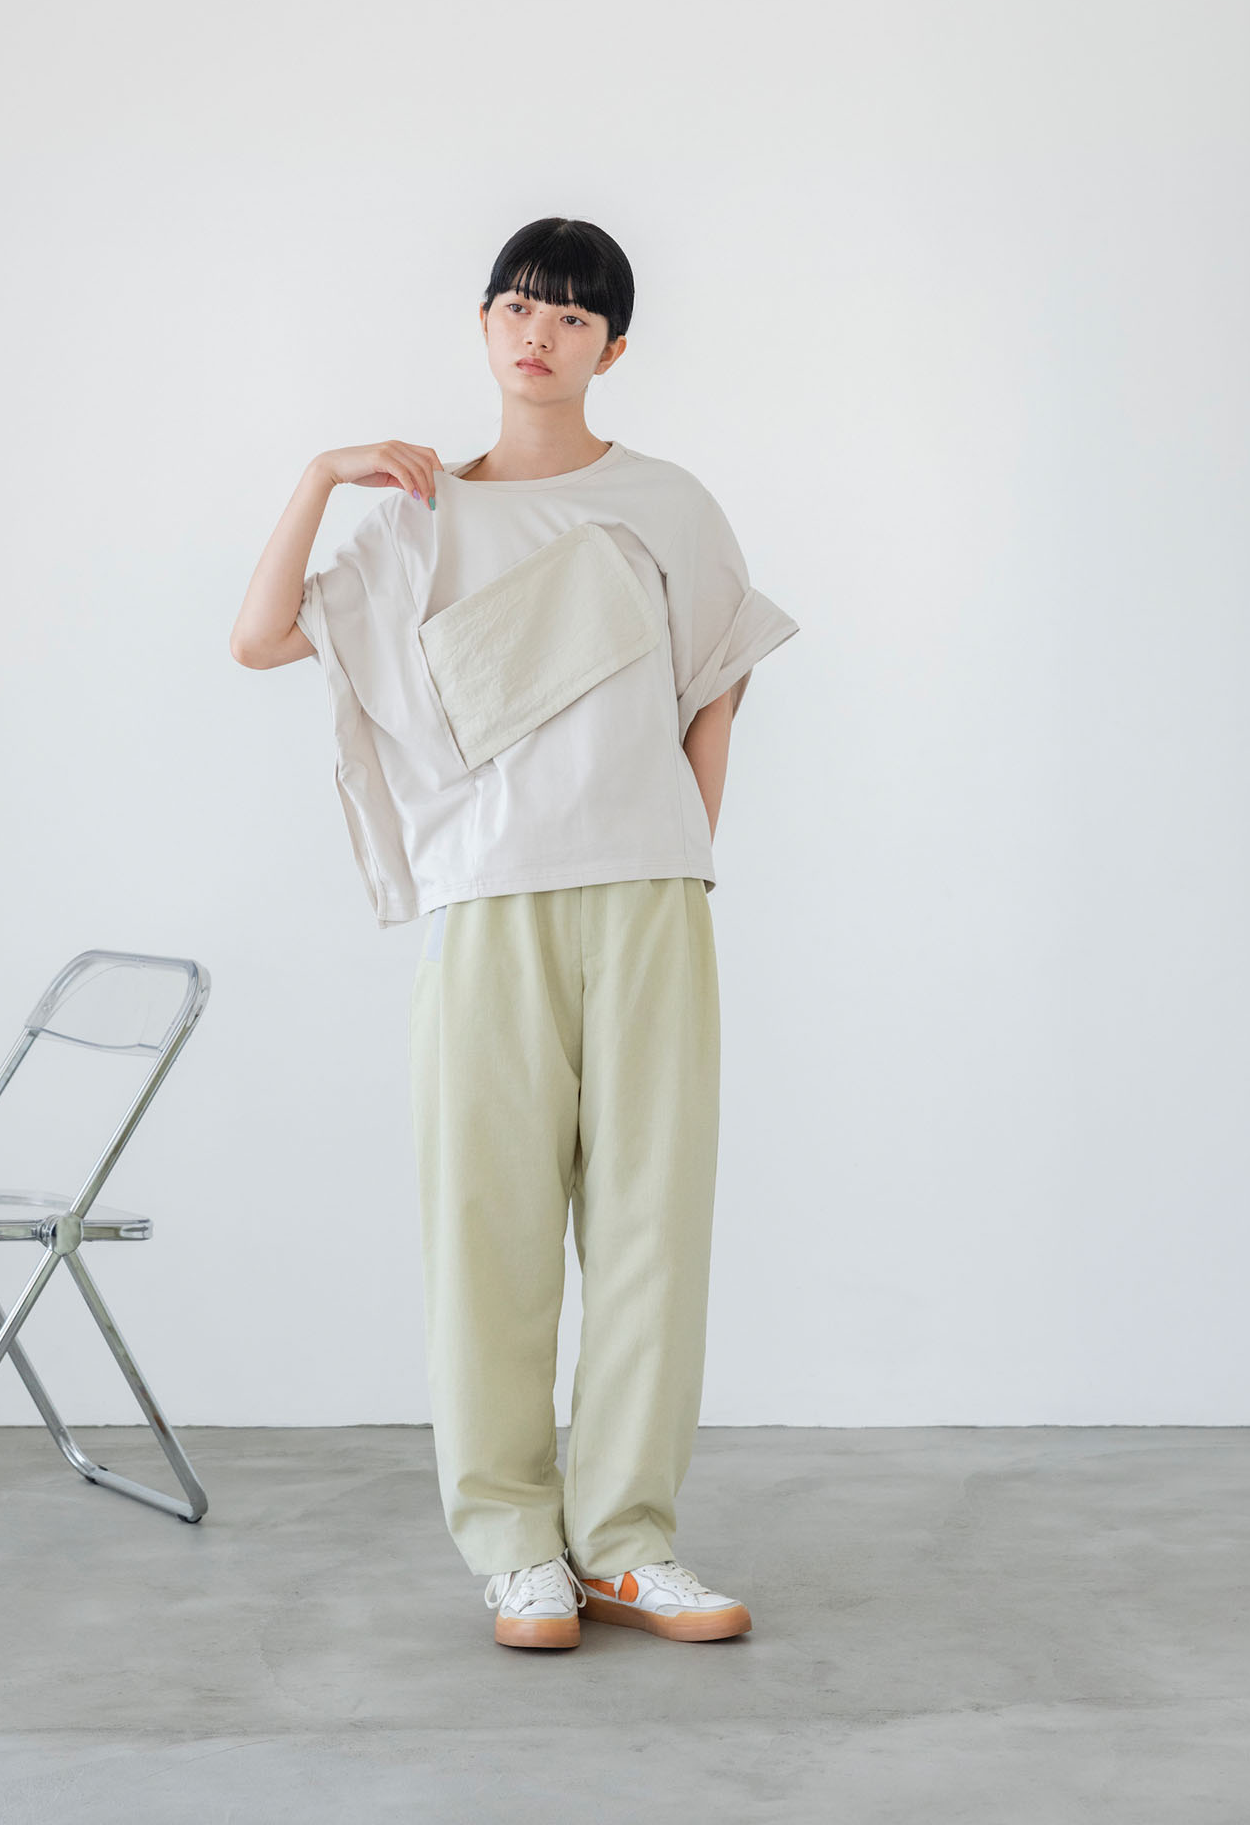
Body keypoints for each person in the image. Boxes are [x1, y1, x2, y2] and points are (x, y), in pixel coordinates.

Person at [231, 216, 799, 1651]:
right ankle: (515, 1547)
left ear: (615, 347)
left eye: (572, 315)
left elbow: (719, 682)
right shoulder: (416, 517)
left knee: (653, 1223)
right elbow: (259, 637)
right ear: (485, 325)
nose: (539, 333)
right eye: (517, 307)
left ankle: (627, 1544)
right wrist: (320, 475)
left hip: (647, 895)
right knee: (486, 1229)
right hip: (486, 901)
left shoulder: (666, 502)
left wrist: (681, 842)